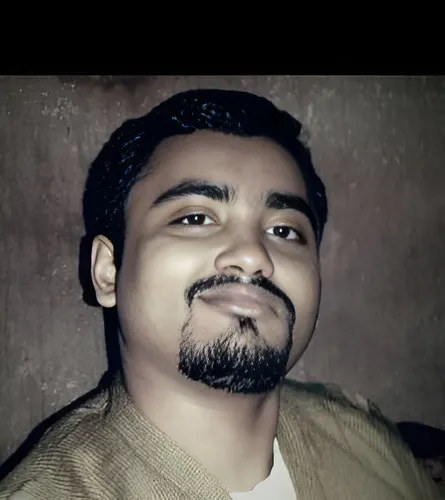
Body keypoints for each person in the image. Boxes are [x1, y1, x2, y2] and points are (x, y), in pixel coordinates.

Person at [0, 89, 440, 499]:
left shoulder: (367, 441)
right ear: (107, 272)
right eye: (195, 218)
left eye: (284, 230)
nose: (253, 255)